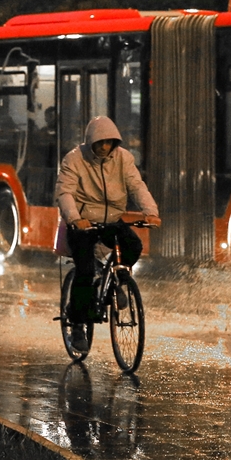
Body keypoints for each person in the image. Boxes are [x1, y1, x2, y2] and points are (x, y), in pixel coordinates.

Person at [56, 116, 160, 352]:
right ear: (90, 141)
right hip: (83, 223)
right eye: (100, 142)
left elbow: (137, 186)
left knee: (133, 246)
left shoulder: (123, 158)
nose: (104, 147)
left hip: (112, 220)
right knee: (84, 270)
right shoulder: (74, 159)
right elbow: (65, 192)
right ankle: (78, 325)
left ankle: (118, 281)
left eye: (109, 142)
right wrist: (75, 218)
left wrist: (150, 212)